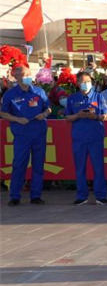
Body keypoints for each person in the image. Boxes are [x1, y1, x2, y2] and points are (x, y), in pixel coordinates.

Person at [0, 65, 50, 205]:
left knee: (38, 164)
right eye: (23, 74)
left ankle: (36, 195)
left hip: (39, 132)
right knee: (19, 164)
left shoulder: (39, 92)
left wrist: (44, 114)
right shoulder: (10, 94)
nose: (27, 77)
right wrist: (17, 119)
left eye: (28, 74)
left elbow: (48, 108)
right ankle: (15, 196)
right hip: (21, 134)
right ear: (16, 77)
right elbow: (3, 113)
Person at [64, 72, 107, 205]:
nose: (85, 84)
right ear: (78, 83)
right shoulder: (72, 98)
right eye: (82, 82)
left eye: (88, 81)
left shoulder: (99, 96)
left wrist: (95, 116)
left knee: (98, 167)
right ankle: (81, 195)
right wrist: (78, 115)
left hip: (95, 137)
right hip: (79, 137)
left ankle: (100, 195)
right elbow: (68, 117)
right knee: (80, 167)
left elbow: (106, 115)